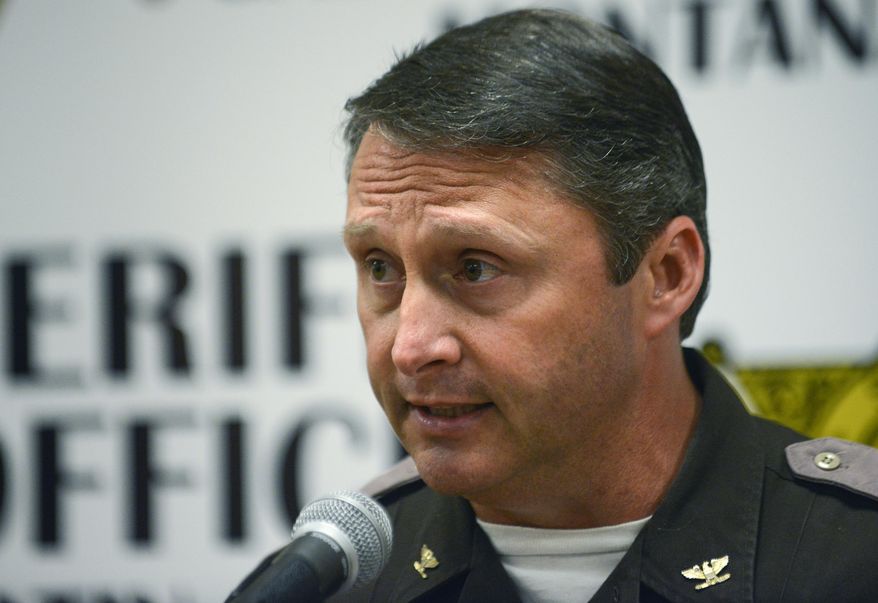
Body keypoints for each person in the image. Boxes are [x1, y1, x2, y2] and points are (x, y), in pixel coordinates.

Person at [232, 9, 878, 602]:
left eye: (476, 268)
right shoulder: (324, 586)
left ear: (665, 274)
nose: (410, 346)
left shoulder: (855, 557)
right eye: (380, 268)